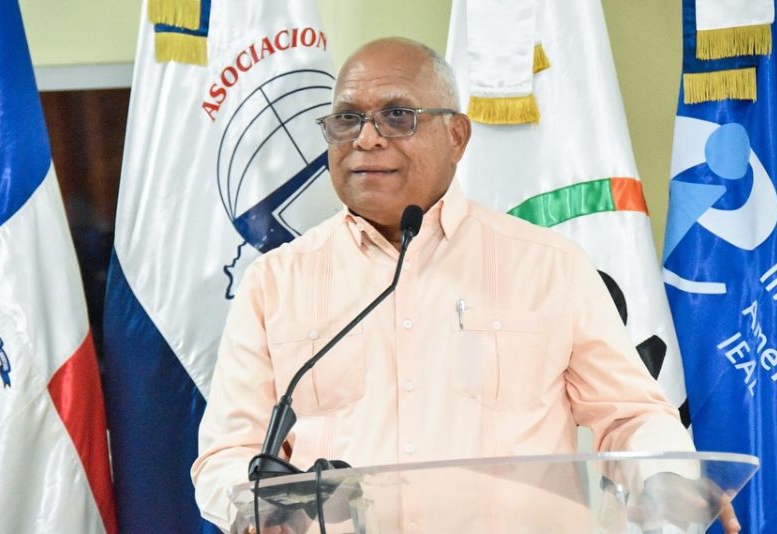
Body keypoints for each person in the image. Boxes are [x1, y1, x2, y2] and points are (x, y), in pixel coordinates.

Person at [192, 37, 740, 533]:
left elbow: (632, 415)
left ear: (457, 135)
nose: (366, 139)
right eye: (346, 119)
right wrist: (256, 508)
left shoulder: (549, 266)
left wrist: (665, 476)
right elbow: (228, 452)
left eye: (397, 116)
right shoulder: (275, 283)